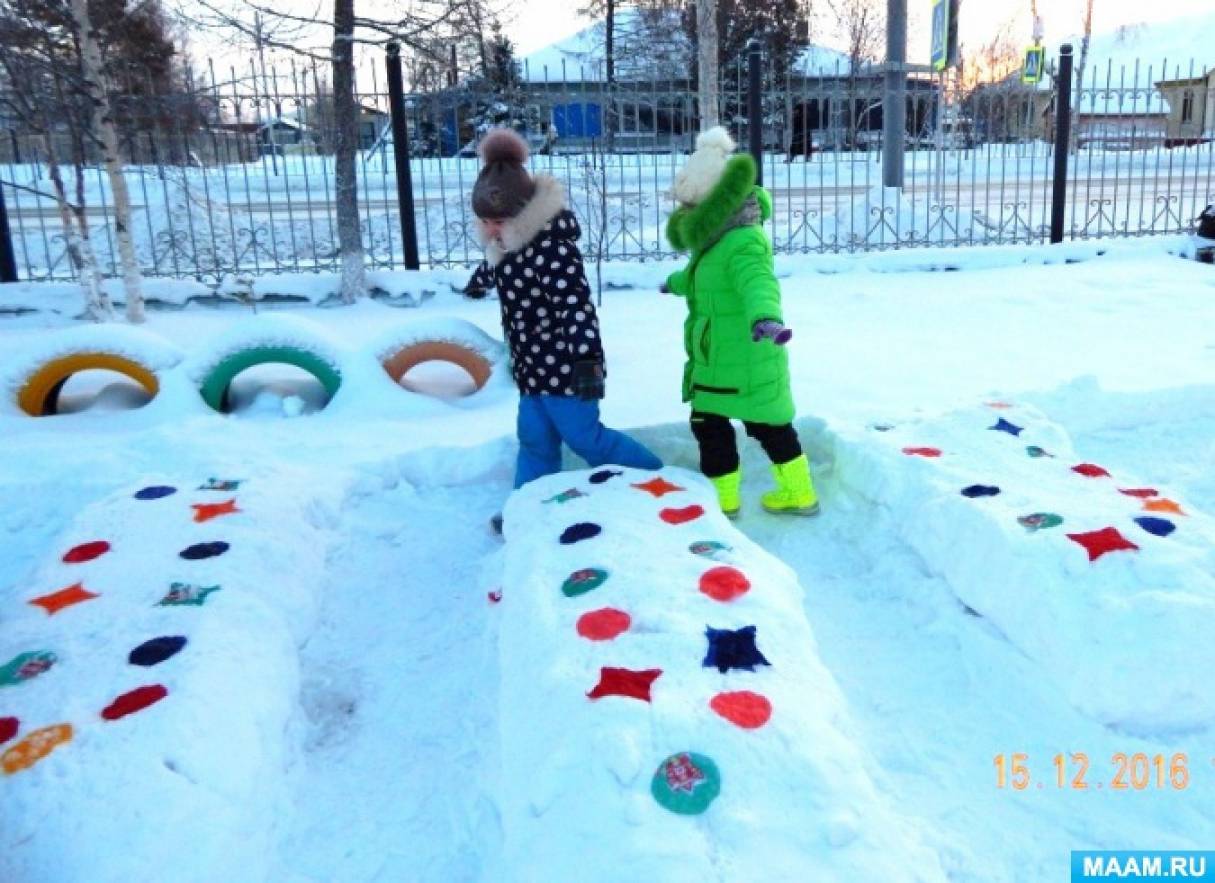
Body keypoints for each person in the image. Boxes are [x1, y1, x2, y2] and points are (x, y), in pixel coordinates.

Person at [463, 128, 661, 525]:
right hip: (531, 370)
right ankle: (526, 508)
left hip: (568, 368)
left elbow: (577, 308)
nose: (492, 229)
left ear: (523, 215)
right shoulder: (506, 246)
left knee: (586, 438)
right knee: (534, 441)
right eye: (485, 221)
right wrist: (479, 281)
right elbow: (497, 265)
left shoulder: (553, 249)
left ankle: (654, 477)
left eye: (499, 220)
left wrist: (588, 361)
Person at [663, 127, 819, 518]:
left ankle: (782, 494)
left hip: (744, 356)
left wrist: (766, 317)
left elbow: (757, 283)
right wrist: (675, 283)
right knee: (722, 424)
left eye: (691, 204)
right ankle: (751, 497)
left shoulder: (743, 240)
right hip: (719, 358)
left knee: (758, 426)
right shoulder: (717, 238)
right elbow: (704, 277)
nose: (685, 212)